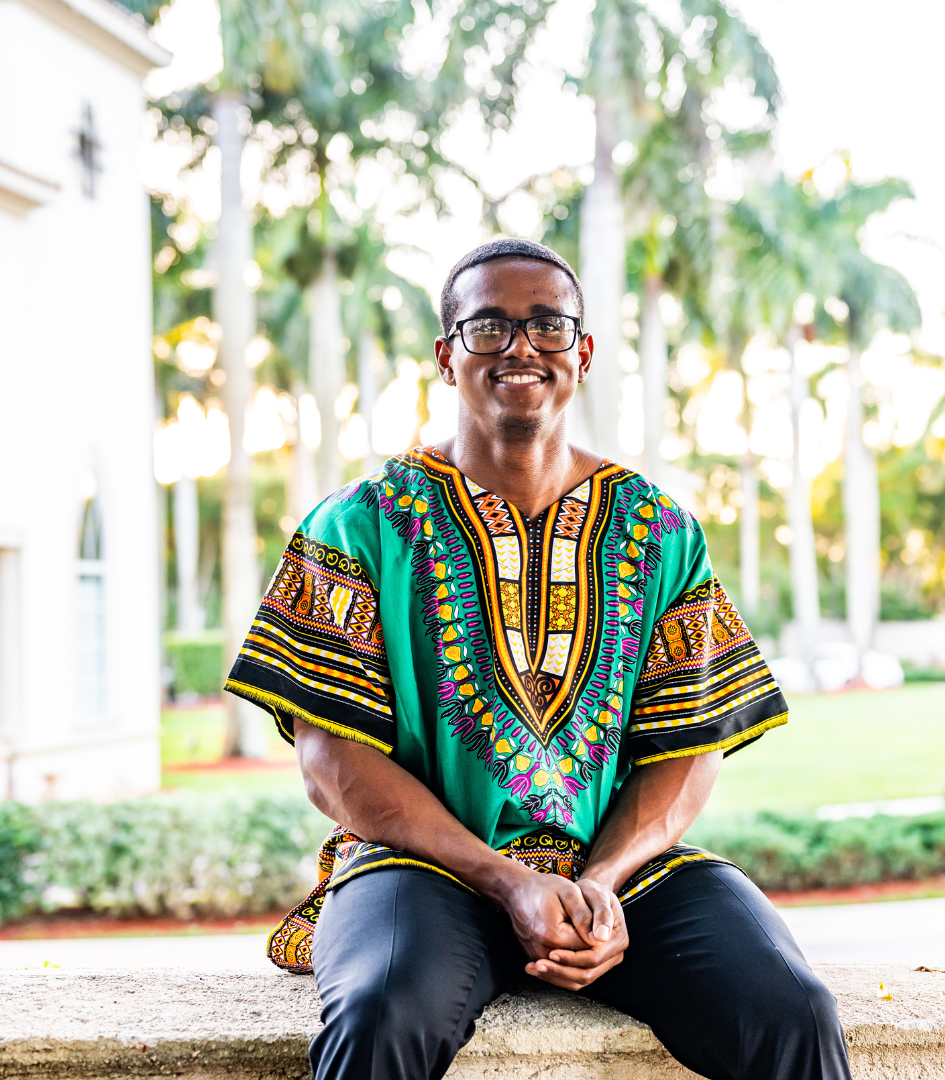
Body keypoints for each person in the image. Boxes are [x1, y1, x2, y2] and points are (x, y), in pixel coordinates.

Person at [225, 238, 851, 1080]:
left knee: (791, 1009)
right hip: (424, 870)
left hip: (618, 876)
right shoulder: (358, 524)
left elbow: (690, 746)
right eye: (488, 327)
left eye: (548, 325)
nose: (521, 347)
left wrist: (601, 882)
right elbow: (331, 764)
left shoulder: (660, 528)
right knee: (382, 1011)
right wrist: (506, 879)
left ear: (582, 354)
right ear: (448, 357)